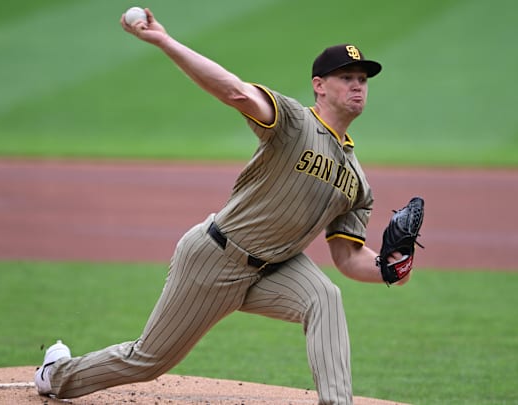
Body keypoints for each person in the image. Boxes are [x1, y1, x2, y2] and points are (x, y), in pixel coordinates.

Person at [34, 7, 411, 405]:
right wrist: (164, 40)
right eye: (346, 77)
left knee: (325, 297)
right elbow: (234, 91)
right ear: (319, 86)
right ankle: (55, 374)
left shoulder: (357, 181)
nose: (358, 86)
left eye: (363, 79)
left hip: (276, 268)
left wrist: (391, 268)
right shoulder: (294, 123)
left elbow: (348, 258)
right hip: (214, 257)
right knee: (148, 360)